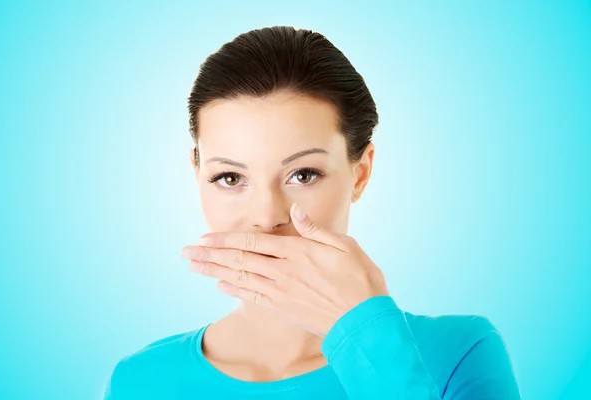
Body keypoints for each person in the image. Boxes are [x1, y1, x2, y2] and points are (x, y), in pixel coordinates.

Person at [103, 26, 521, 399]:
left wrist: (369, 335)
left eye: (303, 174)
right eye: (230, 178)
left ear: (360, 173)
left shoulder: (459, 354)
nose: (268, 217)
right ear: (198, 175)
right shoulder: (139, 381)